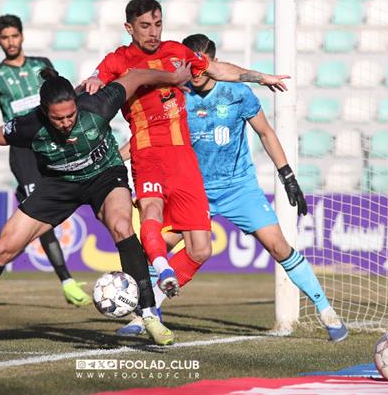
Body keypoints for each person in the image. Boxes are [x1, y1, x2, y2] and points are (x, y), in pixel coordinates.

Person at [0, 64, 192, 348]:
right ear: (45, 112)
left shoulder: (98, 104)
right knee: (2, 248)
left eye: (71, 115)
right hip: (60, 185)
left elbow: (136, 76)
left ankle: (149, 316)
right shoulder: (29, 125)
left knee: (122, 226)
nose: (67, 122)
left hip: (104, 176)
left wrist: (173, 77)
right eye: (58, 118)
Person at [120, 34, 348, 342]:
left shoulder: (238, 93)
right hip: (193, 189)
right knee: (158, 247)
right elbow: (146, 138)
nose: (196, 71)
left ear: (213, 63)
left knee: (279, 247)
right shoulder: (176, 96)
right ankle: (146, 313)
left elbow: (266, 133)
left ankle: (327, 312)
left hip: (238, 187)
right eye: (191, 64)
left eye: (202, 64)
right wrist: (114, 159)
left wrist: (287, 176)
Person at [80, 0, 290, 302]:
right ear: (129, 28)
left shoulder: (177, 52)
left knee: (201, 249)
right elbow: (96, 79)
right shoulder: (119, 60)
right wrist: (93, 80)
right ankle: (160, 276)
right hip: (147, 151)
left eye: (158, 24)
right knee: (151, 209)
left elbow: (218, 70)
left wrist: (261, 77)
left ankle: (151, 298)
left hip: (183, 157)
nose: (153, 32)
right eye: (145, 26)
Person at [0, 14, 90, 308]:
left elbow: (62, 95)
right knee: (38, 215)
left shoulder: (42, 65)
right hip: (24, 151)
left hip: (53, 145)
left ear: (22, 36)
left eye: (14, 35)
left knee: (31, 217)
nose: (10, 42)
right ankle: (67, 282)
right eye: (5, 37)